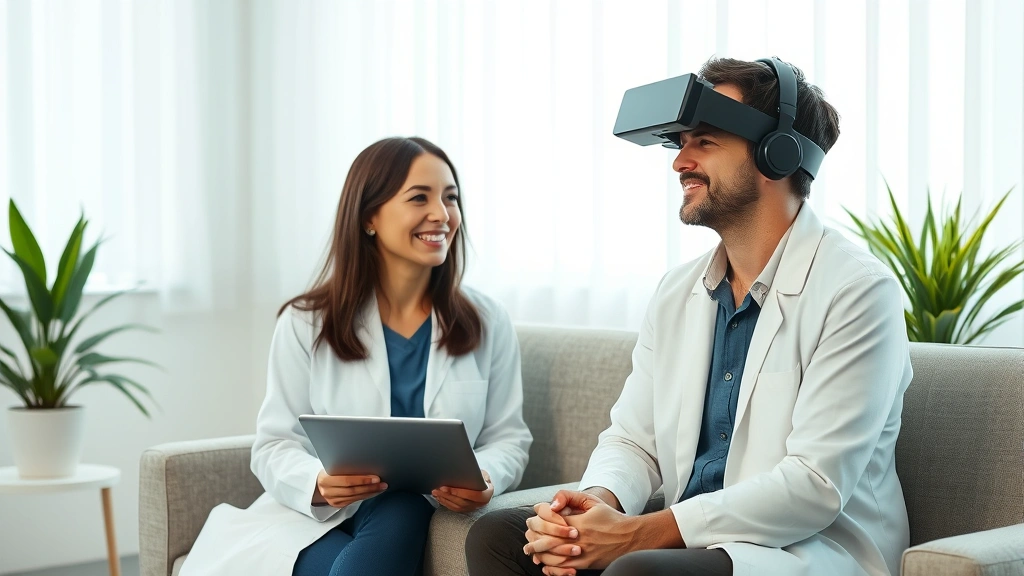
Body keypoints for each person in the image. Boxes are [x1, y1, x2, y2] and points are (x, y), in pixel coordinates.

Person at [466, 57, 912, 576]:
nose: (679, 162)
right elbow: (634, 438)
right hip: (692, 540)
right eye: (681, 144)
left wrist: (638, 536)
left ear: (777, 154)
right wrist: (596, 507)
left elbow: (814, 485)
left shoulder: (857, 291)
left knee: (637, 571)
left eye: (705, 141)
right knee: (500, 539)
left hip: (804, 551)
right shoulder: (679, 291)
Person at [179, 136, 532, 576]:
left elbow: (509, 438)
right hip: (322, 516)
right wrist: (318, 484)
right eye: (419, 197)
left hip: (414, 512)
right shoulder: (306, 320)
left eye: (450, 198)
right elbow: (274, 443)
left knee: (402, 506)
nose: (442, 215)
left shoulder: (487, 320)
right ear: (369, 217)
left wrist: (484, 477)